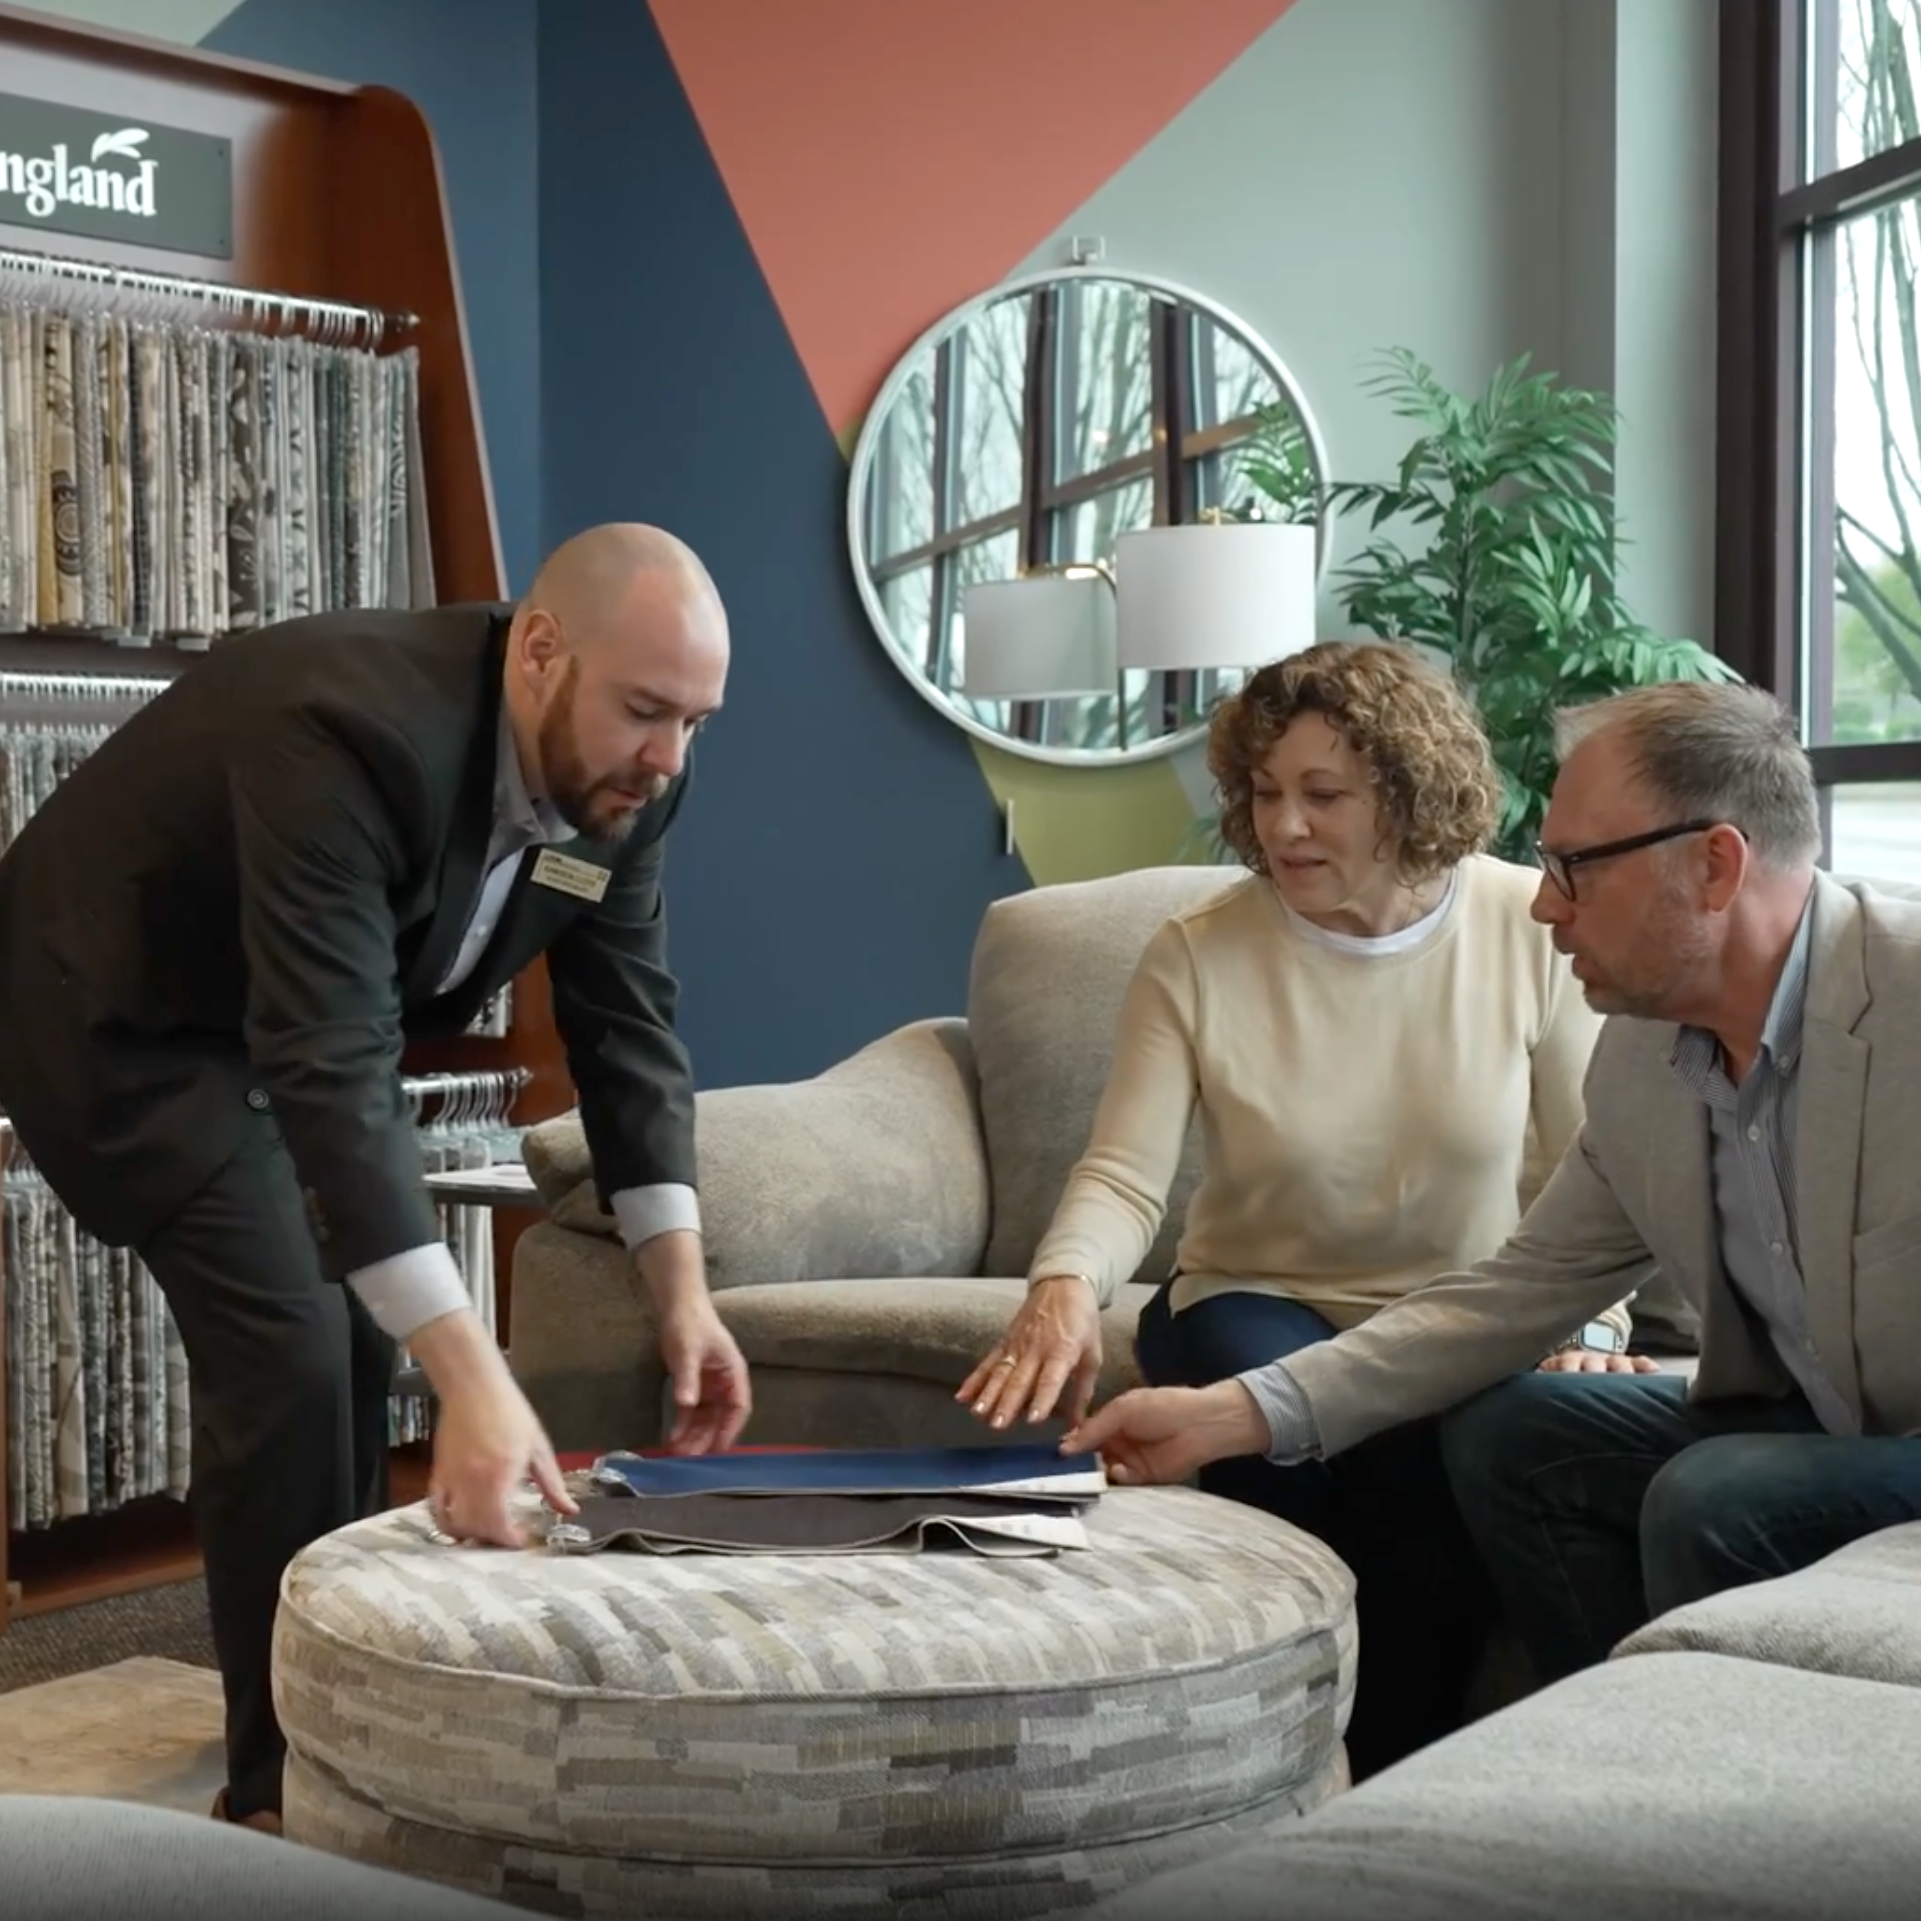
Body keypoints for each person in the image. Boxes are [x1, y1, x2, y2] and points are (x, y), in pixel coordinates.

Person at [0, 523, 753, 1833]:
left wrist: (684, 1297)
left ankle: (338, 1710)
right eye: (645, 711)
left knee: (352, 1346)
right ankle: (281, 1797)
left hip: (261, 1018)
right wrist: (473, 1380)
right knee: (292, 1346)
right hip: (109, 1009)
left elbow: (627, 1029)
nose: (669, 757)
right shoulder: (351, 731)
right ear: (539, 650)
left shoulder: (630, 786)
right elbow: (333, 1058)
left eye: (696, 722)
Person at [1063, 678, 1921, 1694]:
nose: (1544, 905)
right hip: (1802, 1421)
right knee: (1510, 1432)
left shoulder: (1904, 993)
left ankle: (1691, 1769)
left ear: (1714, 865)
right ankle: (1581, 1733)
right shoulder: (1646, 1057)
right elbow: (1511, 1293)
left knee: (1712, 1490)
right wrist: (1225, 1416)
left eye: (1574, 868)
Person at [958, 640, 1650, 1776]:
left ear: (1408, 791)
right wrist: (1063, 1285)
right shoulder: (1196, 953)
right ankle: (1295, 1760)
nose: (1283, 825)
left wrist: (1590, 1325)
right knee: (1261, 1415)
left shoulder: (1525, 924)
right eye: (1265, 791)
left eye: (1323, 794)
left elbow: (1593, 1163)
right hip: (1257, 1294)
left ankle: (1375, 1778)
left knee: (1441, 1454)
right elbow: (1123, 1173)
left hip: (1465, 1311)